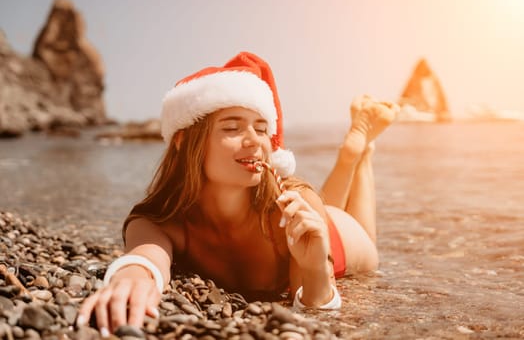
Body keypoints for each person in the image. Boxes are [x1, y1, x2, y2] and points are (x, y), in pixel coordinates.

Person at [77, 52, 399, 336]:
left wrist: (315, 268)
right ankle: (353, 154)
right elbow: (145, 259)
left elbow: (317, 310)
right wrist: (132, 277)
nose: (254, 140)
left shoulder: (287, 205)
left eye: (261, 128)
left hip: (340, 244)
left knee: (348, 228)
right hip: (312, 223)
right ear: (183, 141)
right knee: (318, 211)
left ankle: (361, 153)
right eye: (232, 128)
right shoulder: (160, 220)